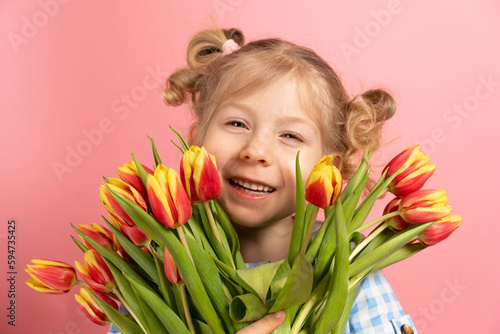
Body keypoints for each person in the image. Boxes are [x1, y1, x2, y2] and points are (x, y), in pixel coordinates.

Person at [108, 27, 417, 334]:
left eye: (290, 135)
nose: (255, 151)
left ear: (328, 168)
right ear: (196, 141)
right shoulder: (160, 262)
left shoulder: (345, 265)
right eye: (237, 123)